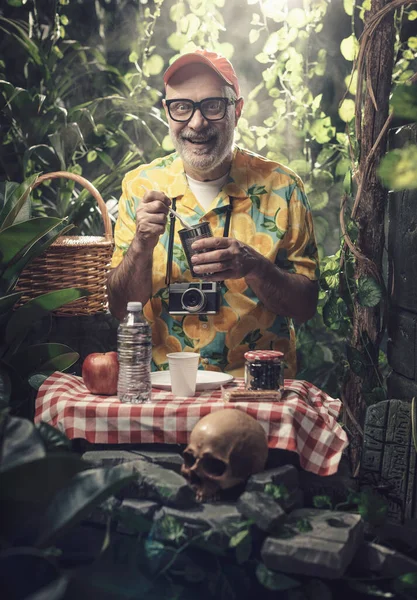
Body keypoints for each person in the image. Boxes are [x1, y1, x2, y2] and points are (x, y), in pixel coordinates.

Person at [107, 49, 319, 377]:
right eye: (182, 107)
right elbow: (121, 308)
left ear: (237, 109)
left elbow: (305, 307)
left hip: (255, 391)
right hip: (161, 388)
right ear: (167, 112)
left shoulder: (282, 186)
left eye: (212, 106)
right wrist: (141, 245)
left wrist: (256, 267)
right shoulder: (140, 186)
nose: (197, 122)